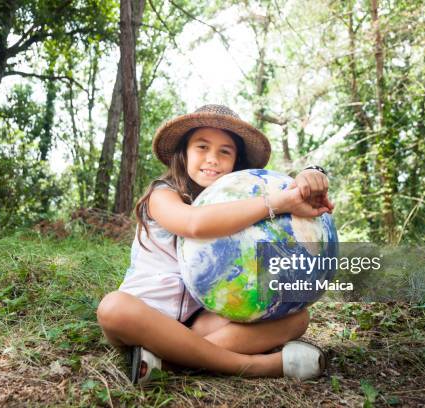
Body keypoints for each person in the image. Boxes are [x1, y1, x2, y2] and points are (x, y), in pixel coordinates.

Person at [97, 105, 334, 384]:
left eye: (225, 151)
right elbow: (194, 224)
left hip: (200, 323)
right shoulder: (163, 195)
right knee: (113, 308)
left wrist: (310, 174)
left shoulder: (237, 202)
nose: (213, 159)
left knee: (297, 319)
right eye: (202, 147)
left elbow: (282, 191)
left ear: (236, 162)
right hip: (144, 318)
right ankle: (255, 366)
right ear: (184, 153)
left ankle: (168, 361)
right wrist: (276, 202)